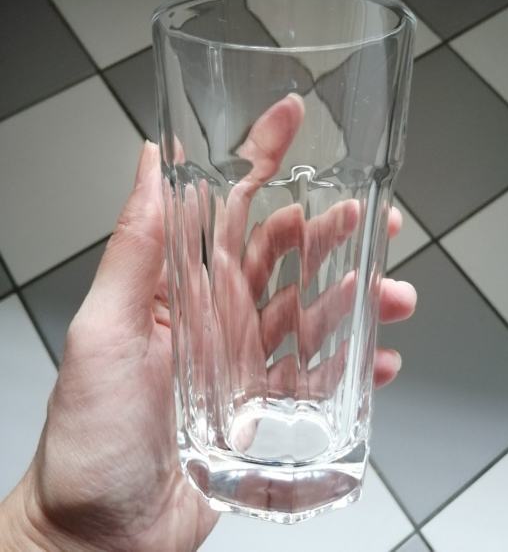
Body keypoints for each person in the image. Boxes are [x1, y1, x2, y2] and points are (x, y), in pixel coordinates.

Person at [0, 99, 417, 552]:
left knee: (357, 262)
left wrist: (54, 536)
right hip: (208, 461)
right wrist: (57, 533)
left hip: (297, 455)